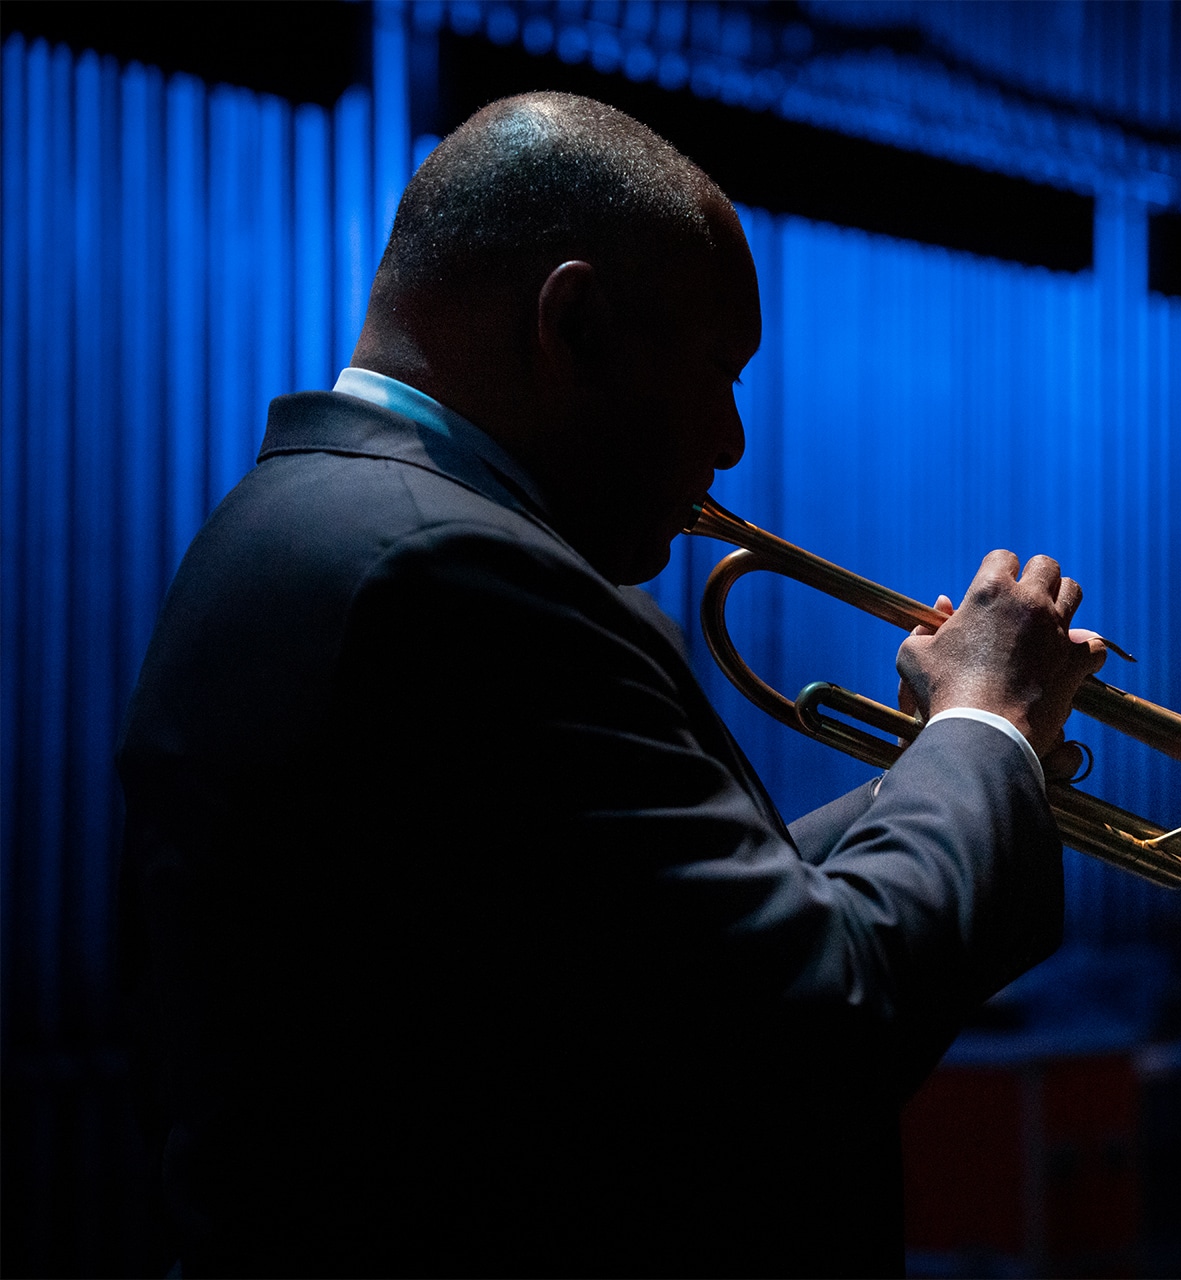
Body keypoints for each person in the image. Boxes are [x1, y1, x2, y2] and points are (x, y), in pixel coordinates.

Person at [117, 91, 1106, 1277]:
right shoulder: (452, 573)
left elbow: (653, 935)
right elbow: (812, 1025)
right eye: (718, 371)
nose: (734, 441)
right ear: (573, 321)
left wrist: (947, 769)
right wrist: (983, 728)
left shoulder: (301, 519)